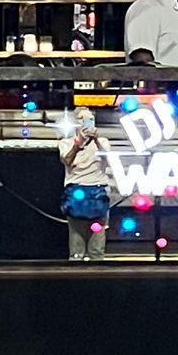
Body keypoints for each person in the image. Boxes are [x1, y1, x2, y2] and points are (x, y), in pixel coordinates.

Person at [59, 111, 110, 260]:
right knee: (77, 246)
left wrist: (96, 140)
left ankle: (98, 276)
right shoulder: (65, 143)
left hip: (98, 194)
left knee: (97, 247)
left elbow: (108, 158)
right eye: (82, 119)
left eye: (90, 119)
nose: (87, 122)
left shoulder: (103, 142)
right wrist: (78, 143)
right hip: (76, 193)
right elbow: (67, 160)